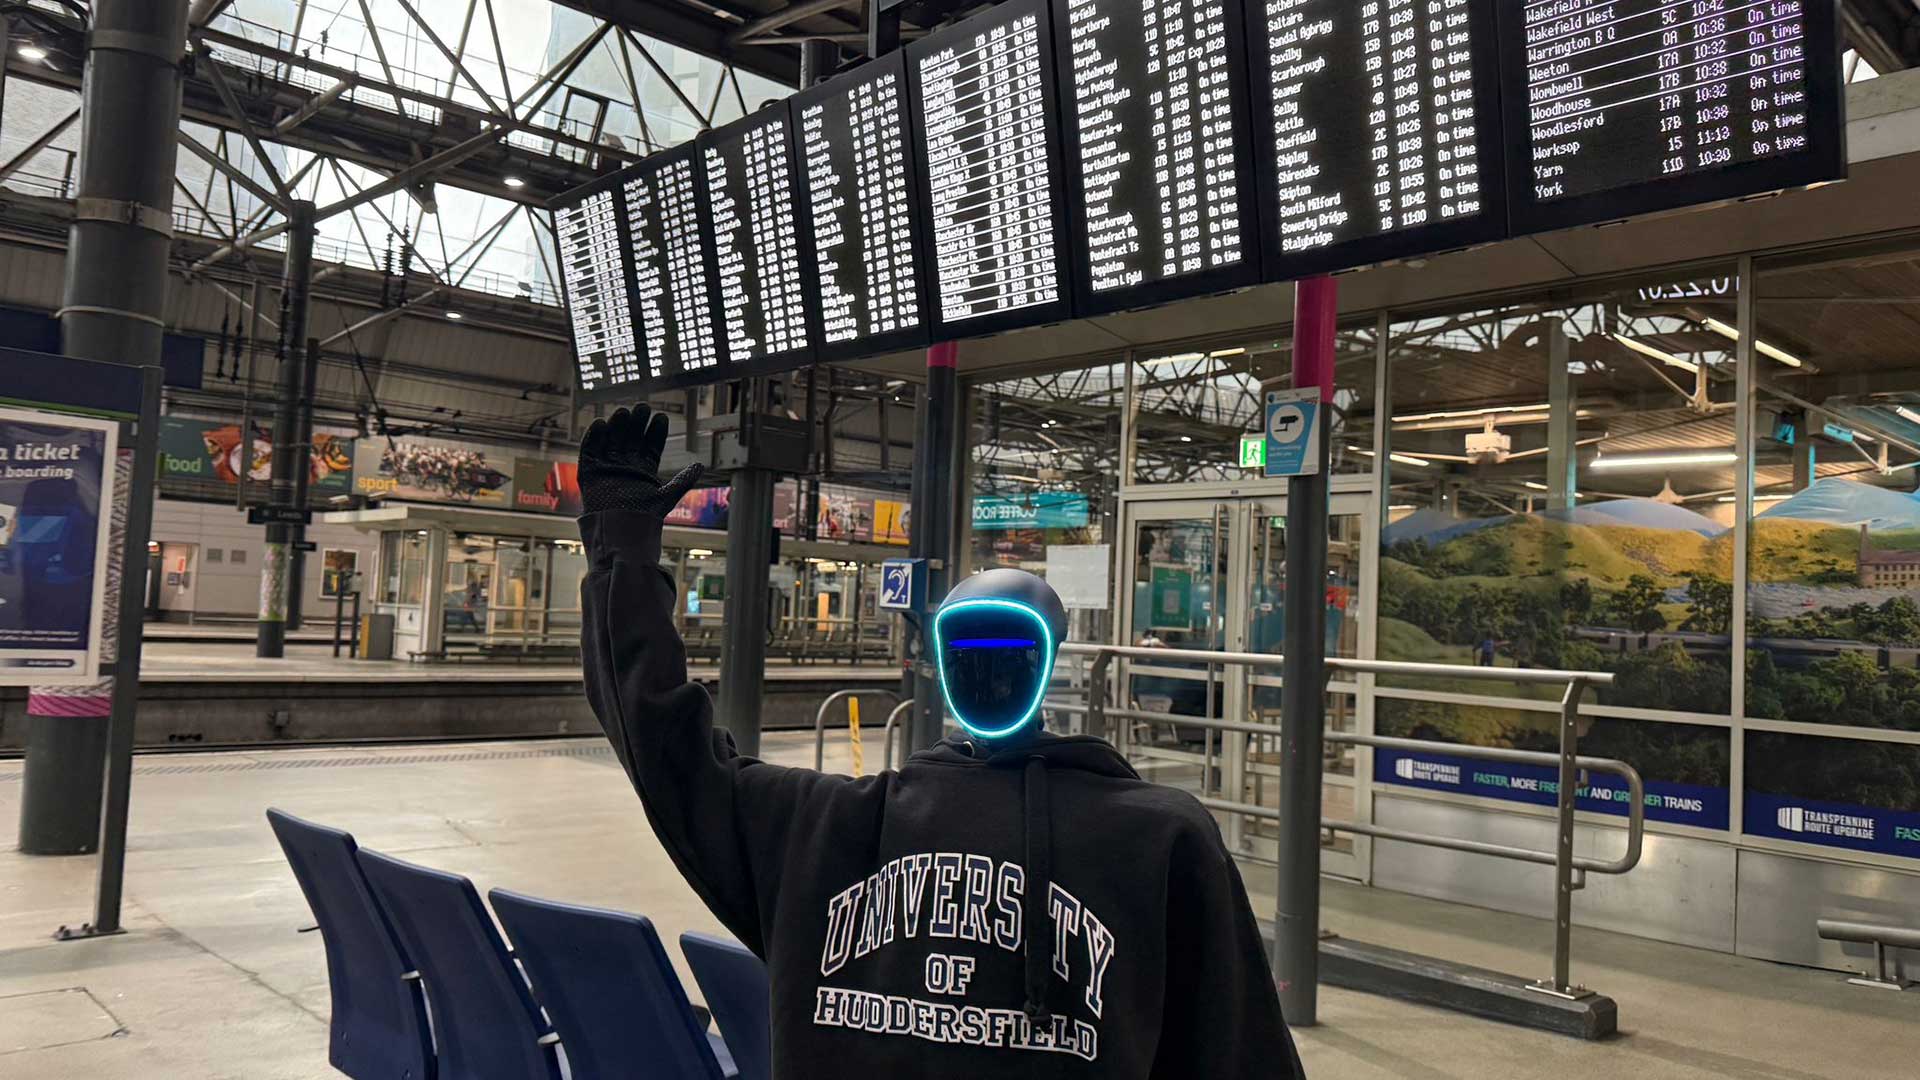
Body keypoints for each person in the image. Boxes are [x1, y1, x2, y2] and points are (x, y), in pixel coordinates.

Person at [576, 404, 1303, 1079]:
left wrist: (623, 555)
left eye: (1000, 650)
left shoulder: (817, 830)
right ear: (1055, 658)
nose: (986, 669)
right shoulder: (1161, 841)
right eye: (976, 650)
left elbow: (661, 739)